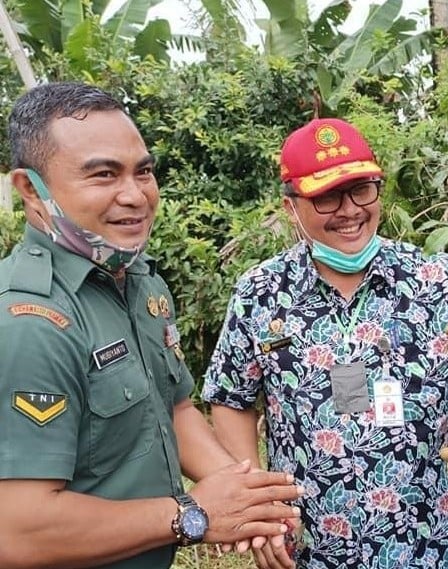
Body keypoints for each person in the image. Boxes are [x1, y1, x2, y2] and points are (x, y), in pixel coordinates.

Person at [202, 117, 448, 569]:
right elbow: (232, 398)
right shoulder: (260, 292)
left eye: (362, 189)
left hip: (427, 544)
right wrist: (257, 503)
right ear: (290, 207)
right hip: (311, 549)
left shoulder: (436, 279)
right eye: (326, 196)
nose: (350, 210)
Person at [0, 81, 303, 569]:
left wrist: (245, 498)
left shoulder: (137, 282)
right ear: (29, 189)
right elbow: (16, 530)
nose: (135, 196)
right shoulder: (29, 324)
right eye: (103, 175)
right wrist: (192, 515)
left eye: (143, 172)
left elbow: (175, 407)